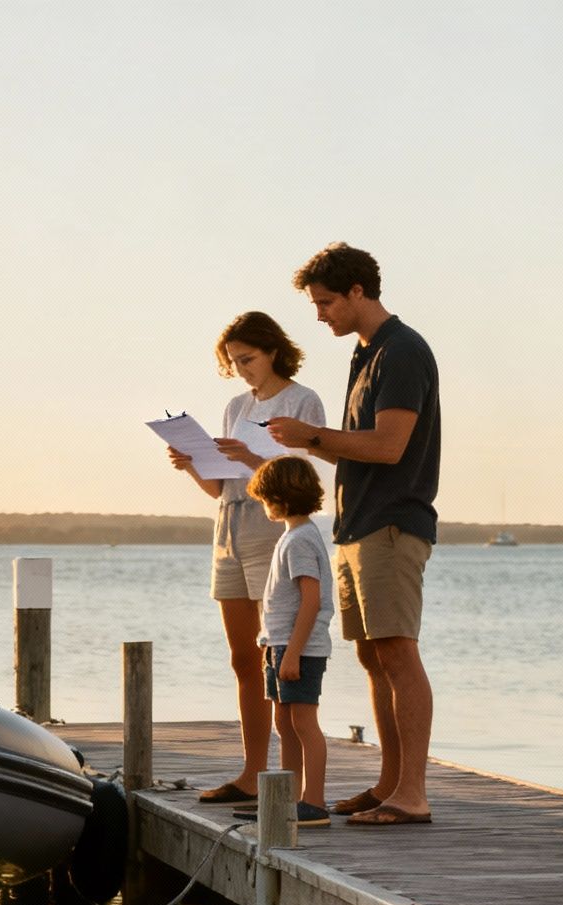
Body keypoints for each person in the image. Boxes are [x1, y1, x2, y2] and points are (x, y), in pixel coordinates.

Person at [265, 243, 440, 826]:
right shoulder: (364, 356)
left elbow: (388, 447)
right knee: (371, 655)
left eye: (326, 303)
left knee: (397, 651)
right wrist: (309, 442)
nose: (319, 316)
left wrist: (312, 436)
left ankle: (411, 794)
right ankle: (390, 784)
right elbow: (360, 453)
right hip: (357, 525)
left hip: (392, 523)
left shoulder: (403, 352)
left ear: (359, 292)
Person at [166, 311, 327, 805]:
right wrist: (193, 465)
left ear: (273, 350)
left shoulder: (302, 400)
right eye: (233, 362)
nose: (241, 369)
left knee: (272, 652)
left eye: (248, 358)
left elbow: (300, 480)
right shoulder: (236, 404)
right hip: (228, 524)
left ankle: (283, 779)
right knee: (242, 658)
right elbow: (220, 485)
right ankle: (251, 770)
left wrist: (250, 460)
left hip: (270, 523)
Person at [238, 455, 335, 827]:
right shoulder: (293, 536)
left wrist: (292, 653)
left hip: (299, 649)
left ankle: (315, 801)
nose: (263, 506)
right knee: (285, 722)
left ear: (280, 498)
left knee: (305, 722)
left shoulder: (299, 541)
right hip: (280, 646)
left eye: (265, 500)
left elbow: (311, 600)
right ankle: (289, 798)